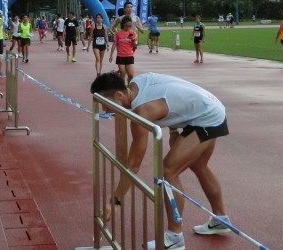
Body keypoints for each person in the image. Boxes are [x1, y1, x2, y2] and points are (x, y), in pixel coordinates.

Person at [90, 72, 231, 249]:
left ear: (118, 95)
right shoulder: (137, 82)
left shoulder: (143, 112)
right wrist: (173, 130)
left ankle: (174, 237)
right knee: (200, 167)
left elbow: (133, 165)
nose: (105, 110)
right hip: (209, 106)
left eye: (105, 104)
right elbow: (171, 92)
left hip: (207, 117)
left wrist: (114, 202)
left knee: (168, 171)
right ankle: (220, 220)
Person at [109, 16, 137, 84]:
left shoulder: (133, 33)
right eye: (126, 25)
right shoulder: (118, 33)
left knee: (131, 75)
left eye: (130, 26)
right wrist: (111, 55)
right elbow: (114, 44)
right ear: (123, 24)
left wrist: (133, 40)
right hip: (120, 56)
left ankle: (128, 86)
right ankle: (123, 88)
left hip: (129, 55)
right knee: (122, 73)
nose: (128, 27)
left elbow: (135, 46)